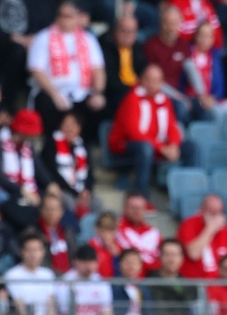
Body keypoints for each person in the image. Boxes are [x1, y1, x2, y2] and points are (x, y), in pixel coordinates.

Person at [27, 1, 107, 138]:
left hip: (81, 93)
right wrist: (55, 94)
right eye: (61, 16)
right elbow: (36, 70)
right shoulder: (43, 37)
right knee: (48, 105)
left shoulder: (88, 39)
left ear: (77, 17)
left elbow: (98, 69)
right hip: (53, 92)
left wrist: (98, 92)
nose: (65, 20)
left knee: (98, 107)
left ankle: (85, 150)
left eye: (69, 16)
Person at [108, 65, 188, 195]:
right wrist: (161, 147)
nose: (152, 84)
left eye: (157, 81)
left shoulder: (164, 100)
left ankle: (183, 193)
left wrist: (173, 145)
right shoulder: (132, 98)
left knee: (190, 148)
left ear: (162, 83)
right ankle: (142, 195)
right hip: (125, 146)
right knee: (145, 148)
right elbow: (134, 133)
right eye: (149, 80)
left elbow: (172, 127)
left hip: (155, 145)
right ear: (142, 80)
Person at [177, 193, 227, 288]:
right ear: (202, 210)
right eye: (211, 212)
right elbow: (193, 254)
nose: (215, 216)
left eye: (218, 212)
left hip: (222, 283)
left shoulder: (224, 229)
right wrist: (210, 229)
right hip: (196, 284)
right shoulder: (189, 224)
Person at [42, 112, 96, 217]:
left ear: (79, 128)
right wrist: (75, 193)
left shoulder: (82, 146)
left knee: (97, 203)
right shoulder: (51, 143)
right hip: (62, 189)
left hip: (81, 191)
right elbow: (51, 170)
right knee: (69, 202)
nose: (70, 128)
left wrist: (87, 190)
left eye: (74, 125)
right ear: (61, 126)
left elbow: (89, 173)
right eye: (66, 125)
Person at [5, 232, 58, 315]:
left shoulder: (48, 274)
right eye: (29, 250)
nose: (33, 254)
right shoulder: (12, 275)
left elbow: (50, 305)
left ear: (43, 252)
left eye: (37, 250)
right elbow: (19, 304)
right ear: (21, 252)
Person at [56, 244, 116, 315]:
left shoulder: (102, 283)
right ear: (75, 261)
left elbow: (107, 313)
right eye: (84, 262)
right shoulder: (65, 282)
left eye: (91, 261)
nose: (88, 266)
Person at [100, 15, 148, 115]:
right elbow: (110, 80)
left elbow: (144, 70)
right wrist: (133, 90)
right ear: (115, 31)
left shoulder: (137, 47)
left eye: (131, 31)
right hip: (117, 93)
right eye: (124, 31)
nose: (128, 35)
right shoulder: (106, 46)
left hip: (138, 90)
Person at [147, 238, 198, 315]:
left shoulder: (188, 285)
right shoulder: (151, 282)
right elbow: (160, 314)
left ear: (182, 258)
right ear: (160, 257)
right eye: (167, 254)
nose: (171, 259)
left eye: (175, 255)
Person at [116, 193, 161, 274]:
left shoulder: (153, 233)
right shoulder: (116, 230)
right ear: (124, 209)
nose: (136, 211)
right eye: (133, 208)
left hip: (151, 279)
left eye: (139, 208)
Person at [112, 248, 158, 315]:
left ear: (140, 266)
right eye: (128, 262)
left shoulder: (144, 289)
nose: (131, 266)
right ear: (120, 264)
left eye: (134, 262)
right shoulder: (113, 287)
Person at [89, 211, 121, 277]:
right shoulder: (91, 245)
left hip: (114, 282)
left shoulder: (119, 246)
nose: (106, 235)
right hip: (97, 282)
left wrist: (117, 256)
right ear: (96, 229)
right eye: (103, 231)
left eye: (110, 231)